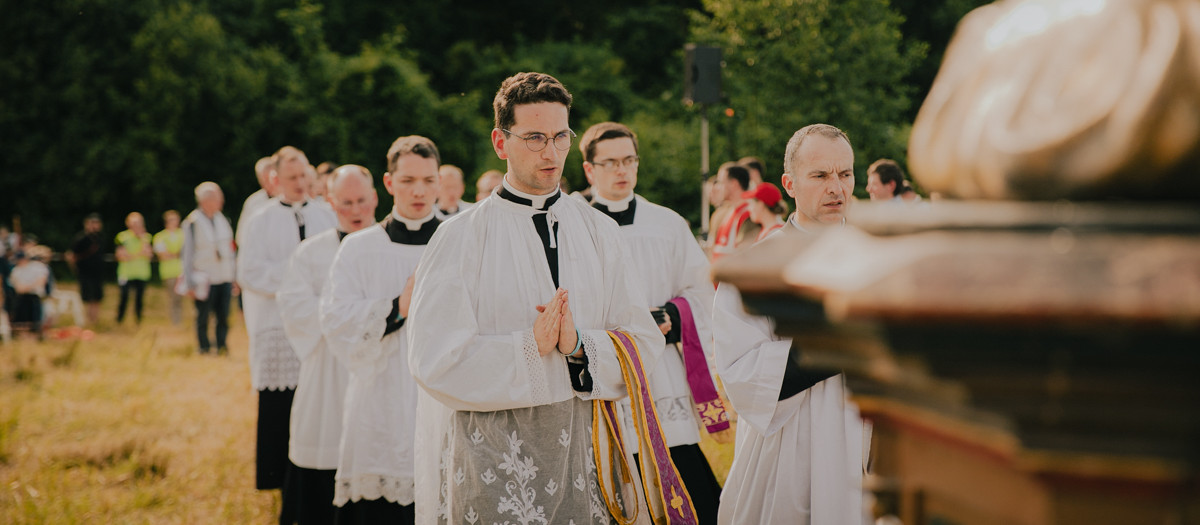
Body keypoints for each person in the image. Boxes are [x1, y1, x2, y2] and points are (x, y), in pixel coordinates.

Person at [407, 72, 662, 525]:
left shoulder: (599, 230)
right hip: (495, 460)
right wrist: (530, 346)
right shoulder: (460, 238)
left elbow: (642, 340)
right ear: (500, 142)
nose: (551, 152)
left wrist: (579, 343)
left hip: (589, 451)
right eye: (535, 138)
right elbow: (432, 359)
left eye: (561, 136)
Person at [712, 123, 868, 524]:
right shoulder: (755, 269)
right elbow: (745, 377)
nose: (836, 187)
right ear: (789, 184)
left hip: (866, 444)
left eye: (845, 174)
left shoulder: (879, 258)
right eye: (820, 175)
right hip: (787, 452)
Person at [579, 121, 725, 523]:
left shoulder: (668, 224)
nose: (622, 170)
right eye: (610, 163)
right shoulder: (574, 226)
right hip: (605, 372)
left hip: (661, 373)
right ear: (590, 170)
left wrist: (671, 317)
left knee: (688, 485)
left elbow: (700, 290)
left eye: (629, 160)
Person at [321, 139, 443, 524]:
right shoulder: (359, 248)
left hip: (442, 394)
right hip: (381, 397)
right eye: (408, 180)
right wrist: (396, 308)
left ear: (440, 181)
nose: (419, 191)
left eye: (428, 180)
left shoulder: (459, 241)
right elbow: (335, 319)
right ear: (389, 183)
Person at [278, 164, 379, 524]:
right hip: (326, 371)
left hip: (378, 371)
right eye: (345, 202)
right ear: (330, 203)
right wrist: (351, 314)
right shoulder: (310, 252)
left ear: (375, 199)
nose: (355, 210)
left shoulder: (388, 246)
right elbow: (294, 307)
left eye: (361, 201)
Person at [236, 146, 337, 505]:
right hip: (277, 328)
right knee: (280, 408)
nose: (298, 183)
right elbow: (249, 271)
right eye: (291, 178)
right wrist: (296, 283)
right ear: (275, 179)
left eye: (303, 177)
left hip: (320, 325)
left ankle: (318, 482)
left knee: (320, 403)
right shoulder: (260, 219)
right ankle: (280, 483)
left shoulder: (326, 214)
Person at [181, 182, 237, 355]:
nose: (221, 200)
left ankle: (221, 345)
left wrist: (234, 276)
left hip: (224, 275)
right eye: (216, 197)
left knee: (223, 315)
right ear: (205, 200)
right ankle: (203, 347)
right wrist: (188, 280)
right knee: (203, 315)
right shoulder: (192, 222)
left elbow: (230, 248)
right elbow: (187, 253)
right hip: (204, 277)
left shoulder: (223, 220)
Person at [709, 163, 760, 261]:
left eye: (720, 182)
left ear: (734, 184)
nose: (717, 187)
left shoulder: (750, 214)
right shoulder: (728, 213)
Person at [67, 214, 106, 325]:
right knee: (87, 297)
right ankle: (86, 320)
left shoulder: (100, 238)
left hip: (97, 273)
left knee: (97, 297)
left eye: (97, 223)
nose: (95, 226)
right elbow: (71, 255)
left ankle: (95, 320)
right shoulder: (81, 238)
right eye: (92, 223)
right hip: (85, 273)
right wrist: (76, 270)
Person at [115, 212, 153, 324]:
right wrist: (139, 254)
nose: (137, 226)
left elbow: (149, 254)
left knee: (140, 299)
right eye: (134, 223)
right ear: (128, 224)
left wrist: (142, 241)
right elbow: (121, 256)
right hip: (126, 273)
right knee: (124, 297)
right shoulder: (122, 237)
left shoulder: (146, 237)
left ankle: (138, 320)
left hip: (141, 273)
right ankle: (120, 319)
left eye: (139, 223)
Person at [9, 250, 49, 339]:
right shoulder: (16, 271)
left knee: (35, 319)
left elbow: (41, 281)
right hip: (22, 297)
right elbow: (18, 287)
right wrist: (27, 288)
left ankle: (36, 335)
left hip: (35, 296)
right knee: (22, 318)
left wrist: (28, 287)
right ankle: (24, 336)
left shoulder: (38, 267)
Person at [154, 210, 185, 325]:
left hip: (182, 271)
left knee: (182, 298)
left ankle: (181, 320)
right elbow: (163, 254)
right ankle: (176, 322)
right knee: (174, 298)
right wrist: (177, 253)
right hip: (169, 272)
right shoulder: (160, 236)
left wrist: (172, 253)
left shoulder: (183, 233)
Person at [238, 156, 277, 245]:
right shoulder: (253, 202)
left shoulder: (290, 198)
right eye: (263, 180)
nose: (266, 183)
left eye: (268, 179)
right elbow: (242, 234)